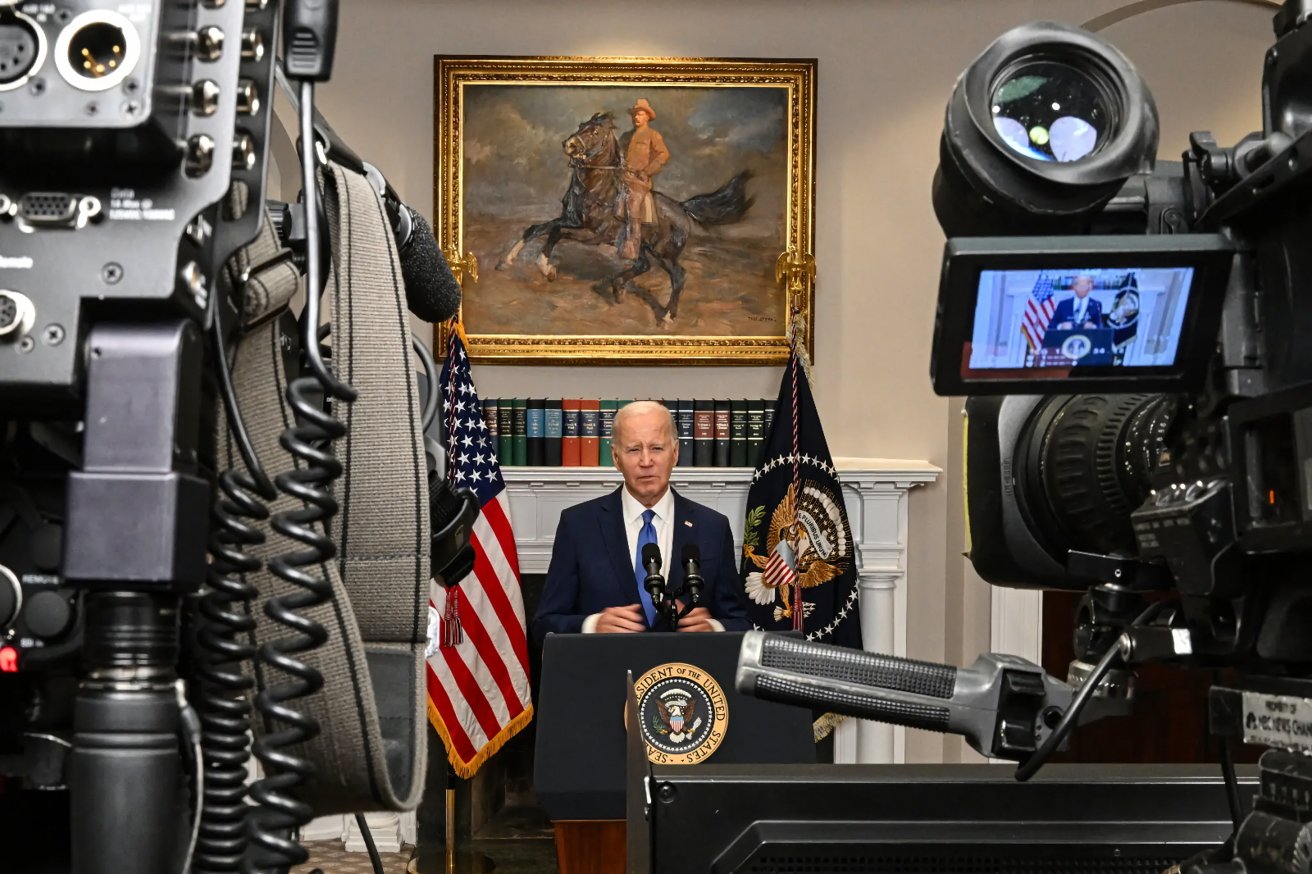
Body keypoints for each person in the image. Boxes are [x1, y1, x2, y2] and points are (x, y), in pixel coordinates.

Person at [532, 401, 749, 639]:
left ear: (675, 453)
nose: (646, 461)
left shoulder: (713, 527)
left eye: (657, 448)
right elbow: (543, 626)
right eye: (634, 449)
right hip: (607, 672)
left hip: (683, 671)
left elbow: (741, 622)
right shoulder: (577, 525)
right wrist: (592, 625)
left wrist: (713, 628)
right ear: (616, 457)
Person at [616, 98, 670, 260]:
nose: (636, 118)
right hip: (622, 177)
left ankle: (633, 245)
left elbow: (663, 155)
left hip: (639, 182)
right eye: (634, 115)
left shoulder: (653, 135)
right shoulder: (626, 136)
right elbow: (618, 155)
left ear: (647, 117)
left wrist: (647, 171)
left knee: (632, 203)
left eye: (640, 114)